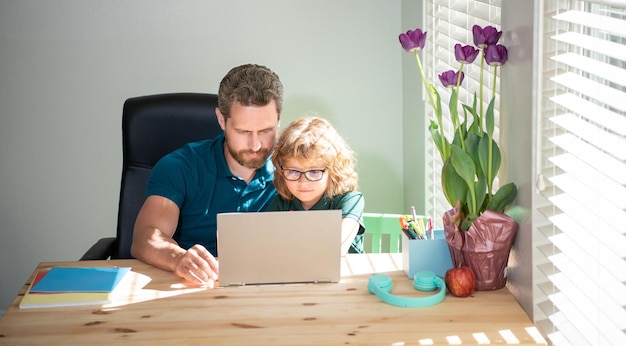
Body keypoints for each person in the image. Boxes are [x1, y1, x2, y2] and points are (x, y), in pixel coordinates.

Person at [131, 63, 283, 287]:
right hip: (198, 286)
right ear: (221, 120)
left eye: (266, 130)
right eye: (243, 132)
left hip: (275, 288)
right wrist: (178, 258)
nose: (255, 144)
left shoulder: (296, 169)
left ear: (279, 120)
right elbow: (145, 237)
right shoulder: (180, 166)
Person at [265, 116, 365, 254]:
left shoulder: (350, 200)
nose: (303, 182)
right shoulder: (281, 203)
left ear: (334, 169)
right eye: (293, 171)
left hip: (346, 274)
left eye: (314, 171)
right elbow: (266, 246)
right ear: (281, 170)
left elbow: (337, 250)